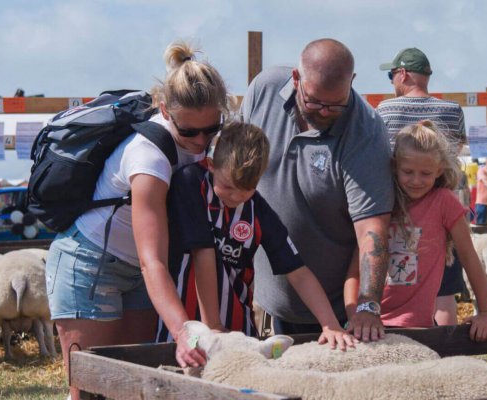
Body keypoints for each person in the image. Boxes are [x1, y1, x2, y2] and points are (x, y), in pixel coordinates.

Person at [44, 41, 229, 399]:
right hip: (92, 264)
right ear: (164, 111)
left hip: (140, 273)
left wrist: (213, 325)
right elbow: (152, 260)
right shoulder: (149, 159)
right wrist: (182, 332)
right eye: (189, 132)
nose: (201, 141)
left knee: (135, 386)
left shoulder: (203, 143)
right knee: (88, 387)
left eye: (212, 129)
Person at [240, 39, 393, 341]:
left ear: (352, 83)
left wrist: (367, 305)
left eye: (336, 104)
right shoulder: (264, 90)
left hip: (334, 314)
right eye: (313, 102)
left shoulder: (365, 131)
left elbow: (372, 232)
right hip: (265, 300)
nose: (324, 112)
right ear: (296, 79)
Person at [157, 121, 354, 349]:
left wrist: (330, 325)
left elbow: (297, 271)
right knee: (182, 371)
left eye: (248, 188)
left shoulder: (258, 210)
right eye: (229, 186)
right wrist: (212, 326)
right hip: (186, 328)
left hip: (236, 330)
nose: (237, 197)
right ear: (211, 164)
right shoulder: (190, 183)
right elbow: (203, 252)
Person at [345, 121, 487, 340]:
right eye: (408, 172)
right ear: (395, 167)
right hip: (372, 322)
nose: (416, 180)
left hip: (418, 326)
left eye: (425, 173)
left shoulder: (444, 203)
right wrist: (357, 315)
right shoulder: (382, 201)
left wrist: (486, 312)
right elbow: (356, 270)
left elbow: (469, 257)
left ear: (439, 170)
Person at [375, 47, 468, 325]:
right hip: (442, 214)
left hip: (397, 211)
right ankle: (446, 353)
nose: (392, 82)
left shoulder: (384, 110)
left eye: (391, 76)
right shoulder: (452, 111)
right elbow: (454, 154)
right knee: (444, 291)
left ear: (402, 74)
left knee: (396, 284)